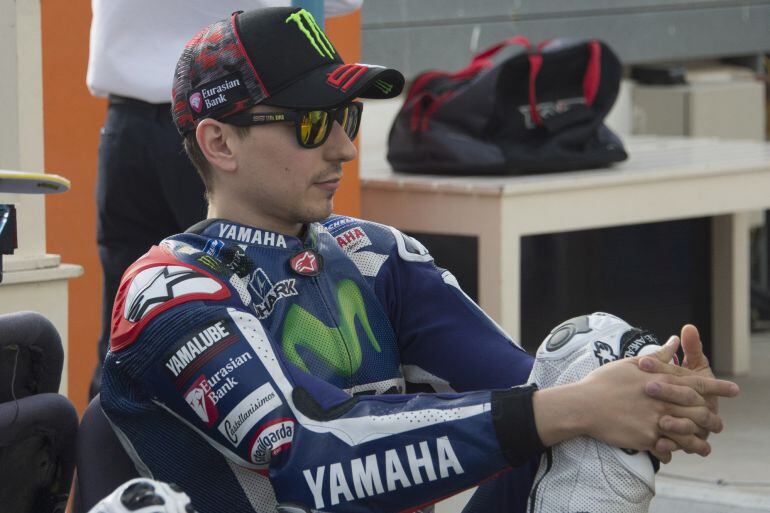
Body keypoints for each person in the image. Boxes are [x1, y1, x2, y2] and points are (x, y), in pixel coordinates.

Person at [99, 7, 739, 513]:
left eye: (346, 116)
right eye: (312, 125)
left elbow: (534, 385)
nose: (347, 148)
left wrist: (651, 394)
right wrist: (579, 408)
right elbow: (313, 457)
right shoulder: (168, 292)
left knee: (598, 349)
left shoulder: (372, 252)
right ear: (219, 142)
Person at [86, 0, 362, 399]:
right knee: (267, 312)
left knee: (128, 329)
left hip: (127, 123)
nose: (344, 149)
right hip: (232, 113)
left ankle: (110, 455)